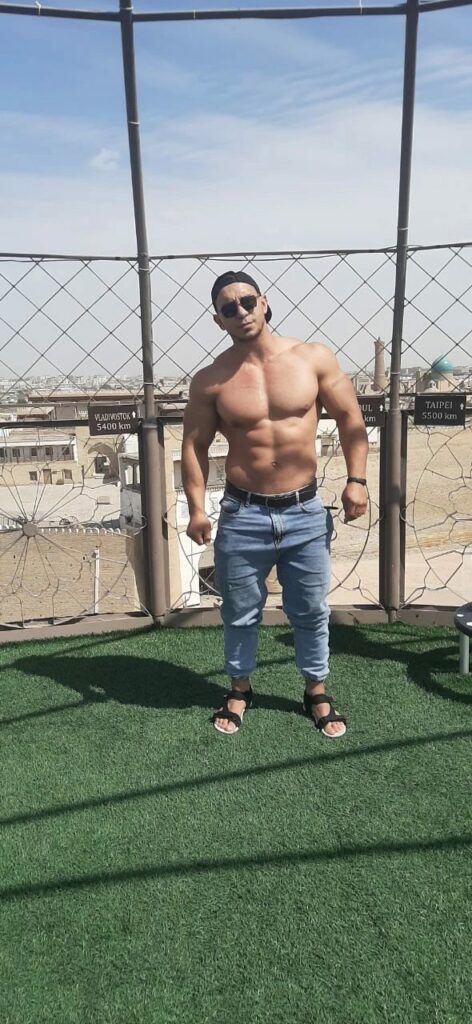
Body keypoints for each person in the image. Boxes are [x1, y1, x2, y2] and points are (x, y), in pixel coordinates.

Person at [181, 270, 368, 738]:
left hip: (304, 510)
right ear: (218, 319)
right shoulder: (211, 380)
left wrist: (357, 480)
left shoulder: (312, 358)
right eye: (229, 308)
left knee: (310, 609)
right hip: (242, 514)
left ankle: (316, 690)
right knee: (240, 610)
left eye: (247, 301)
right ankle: (240, 689)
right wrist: (197, 508)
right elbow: (194, 446)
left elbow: (350, 417)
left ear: (263, 302)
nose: (241, 312)